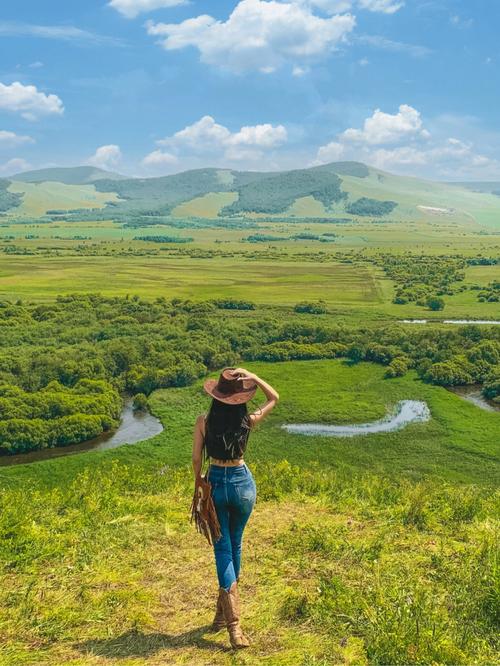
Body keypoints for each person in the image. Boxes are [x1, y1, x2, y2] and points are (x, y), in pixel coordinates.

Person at [192, 366, 279, 649]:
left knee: (222, 548)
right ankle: (221, 617)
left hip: (216, 481)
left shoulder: (204, 421)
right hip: (243, 483)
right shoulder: (247, 420)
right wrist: (254, 377)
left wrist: (199, 482)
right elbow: (274, 398)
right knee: (236, 544)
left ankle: (234, 627)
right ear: (240, 398)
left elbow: (196, 459)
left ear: (216, 395)